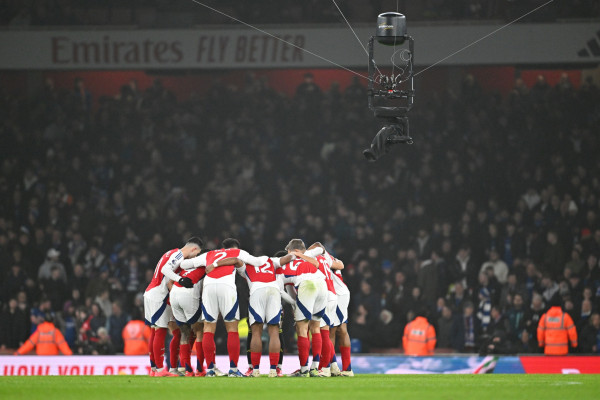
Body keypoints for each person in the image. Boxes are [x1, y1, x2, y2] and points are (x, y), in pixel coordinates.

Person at [179, 238, 263, 377]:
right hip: (226, 287)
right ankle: (233, 370)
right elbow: (258, 262)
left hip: (209, 286)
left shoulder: (209, 254)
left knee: (208, 328)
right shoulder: (237, 252)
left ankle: (210, 370)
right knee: (231, 328)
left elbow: (184, 264)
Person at [210, 250, 294, 377]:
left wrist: (215, 264)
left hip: (256, 291)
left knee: (256, 331)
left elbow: (235, 260)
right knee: (274, 331)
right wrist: (295, 254)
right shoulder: (270, 260)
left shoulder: (247, 266)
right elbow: (288, 258)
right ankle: (273, 370)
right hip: (273, 290)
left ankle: (255, 370)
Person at [143, 237, 203, 377]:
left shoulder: (169, 253)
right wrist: (180, 279)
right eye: (197, 253)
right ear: (194, 249)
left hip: (151, 292)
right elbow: (165, 269)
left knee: (155, 330)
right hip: (159, 295)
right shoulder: (178, 254)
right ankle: (159, 369)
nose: (195, 257)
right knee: (160, 331)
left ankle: (154, 369)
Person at [279, 239, 327, 377]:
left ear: (290, 251)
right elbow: (320, 247)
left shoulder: (283, 266)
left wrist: (294, 304)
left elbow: (281, 290)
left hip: (306, 285)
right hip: (322, 284)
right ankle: (315, 368)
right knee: (316, 327)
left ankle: (304, 369)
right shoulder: (308, 256)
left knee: (302, 328)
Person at [169, 253, 207, 377]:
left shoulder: (185, 267)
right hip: (188, 294)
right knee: (199, 330)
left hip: (174, 293)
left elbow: (169, 281)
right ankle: (200, 370)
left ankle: (187, 370)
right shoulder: (205, 268)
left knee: (185, 333)